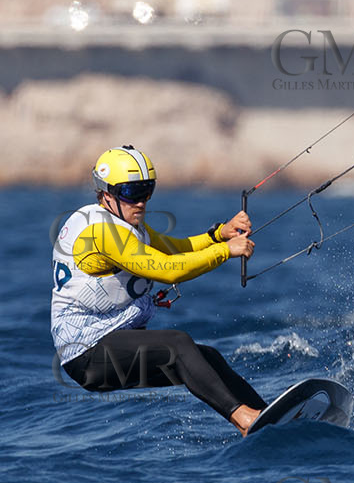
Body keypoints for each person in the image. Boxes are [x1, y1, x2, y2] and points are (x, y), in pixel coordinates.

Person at [51, 145, 266, 436]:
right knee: (177, 344)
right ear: (106, 194)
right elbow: (169, 269)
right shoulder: (102, 232)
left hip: (109, 340)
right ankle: (244, 420)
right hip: (87, 354)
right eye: (131, 192)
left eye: (147, 191)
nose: (141, 202)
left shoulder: (124, 222)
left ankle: (266, 416)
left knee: (207, 358)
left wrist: (218, 234)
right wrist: (225, 251)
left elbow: (173, 249)